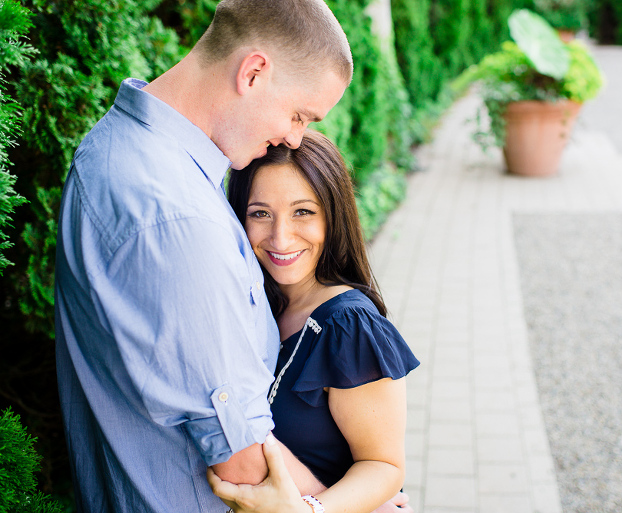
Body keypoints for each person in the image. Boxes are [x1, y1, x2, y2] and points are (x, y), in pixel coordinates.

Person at [54, 1, 352, 511]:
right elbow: (241, 462)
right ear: (254, 72)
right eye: (299, 114)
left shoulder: (126, 150)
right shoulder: (174, 215)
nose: (296, 138)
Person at [211, 129, 419, 513]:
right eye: (260, 213)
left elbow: (384, 466)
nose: (280, 237)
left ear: (333, 215)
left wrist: (308, 510)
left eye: (302, 212)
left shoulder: (350, 327)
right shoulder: (255, 305)